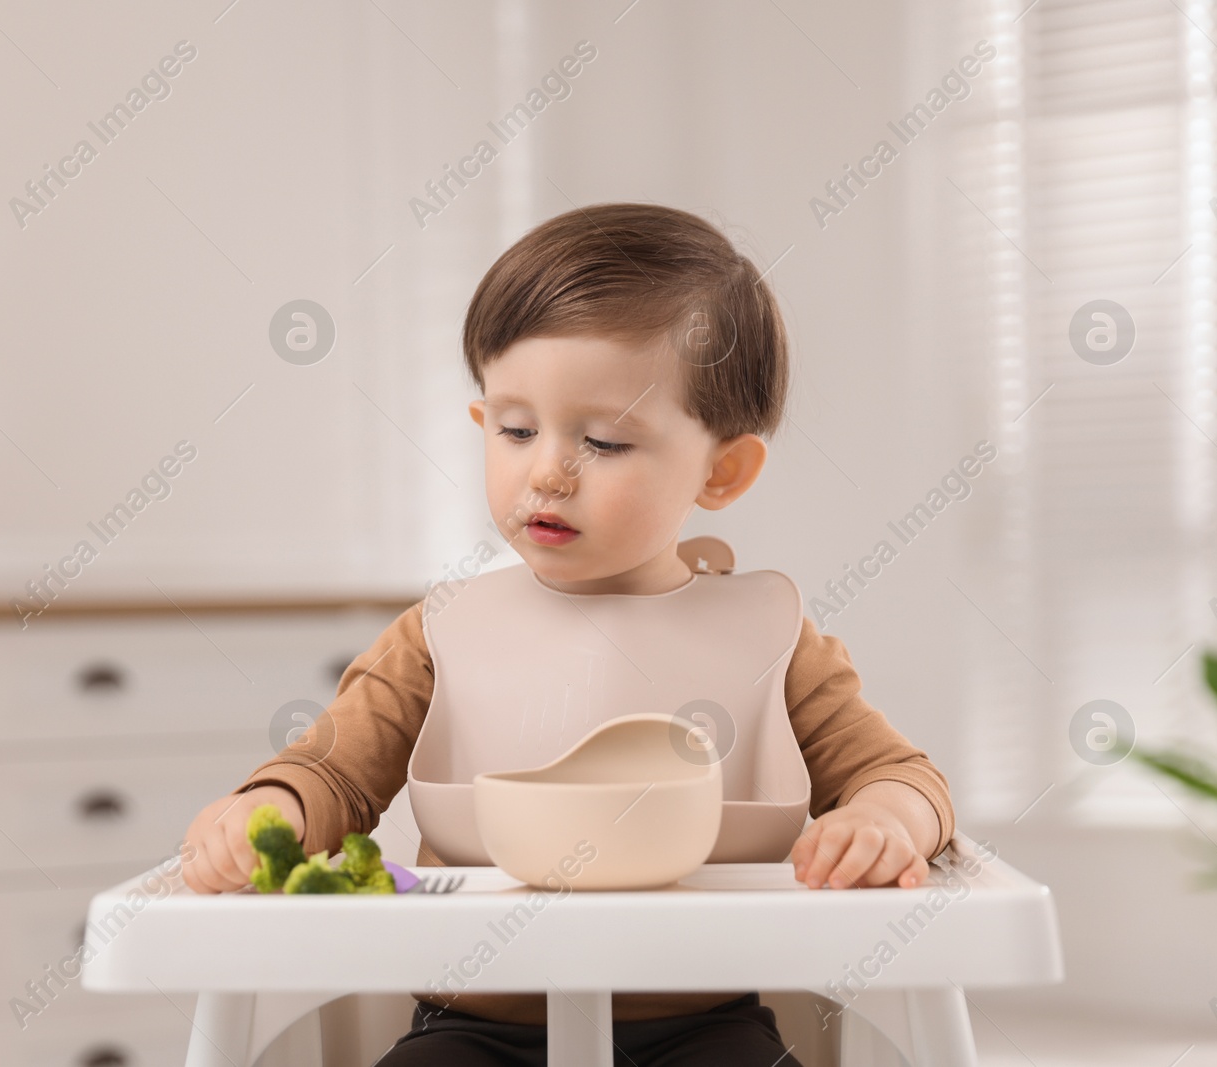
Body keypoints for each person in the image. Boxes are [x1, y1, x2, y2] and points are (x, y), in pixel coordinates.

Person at [181, 203, 955, 1066]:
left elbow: (900, 774)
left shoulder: (770, 638)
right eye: (516, 429)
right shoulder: (440, 634)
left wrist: (888, 820)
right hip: (472, 1026)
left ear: (721, 469)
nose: (548, 470)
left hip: (704, 1024)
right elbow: (332, 771)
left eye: (604, 440)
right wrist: (270, 810)